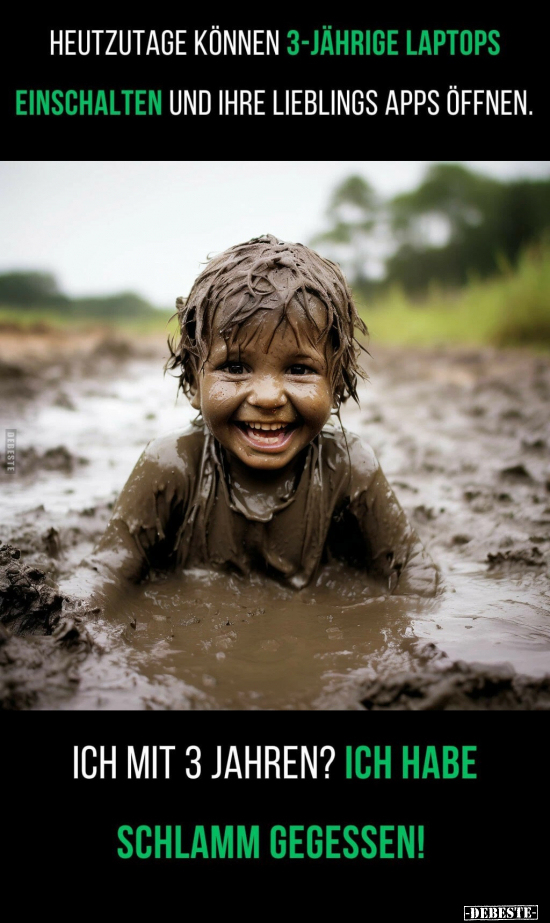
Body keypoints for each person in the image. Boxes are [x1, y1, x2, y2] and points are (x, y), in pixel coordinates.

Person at [73, 234, 438, 609]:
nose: (267, 397)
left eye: (299, 369)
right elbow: (107, 571)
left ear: (337, 383)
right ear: (193, 383)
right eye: (234, 367)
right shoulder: (171, 466)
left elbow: (415, 571)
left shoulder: (347, 466)